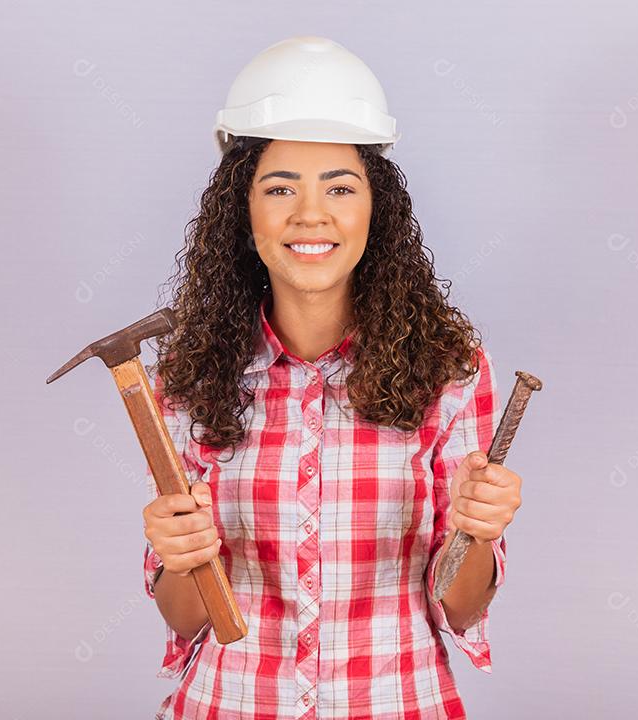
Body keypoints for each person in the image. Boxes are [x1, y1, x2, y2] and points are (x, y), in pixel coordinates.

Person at [140, 35, 524, 720]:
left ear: (375, 210)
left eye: (339, 188)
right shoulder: (187, 375)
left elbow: (460, 606)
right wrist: (180, 558)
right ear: (243, 211)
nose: (310, 214)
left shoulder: (451, 369)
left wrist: (479, 533)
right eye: (279, 188)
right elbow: (185, 617)